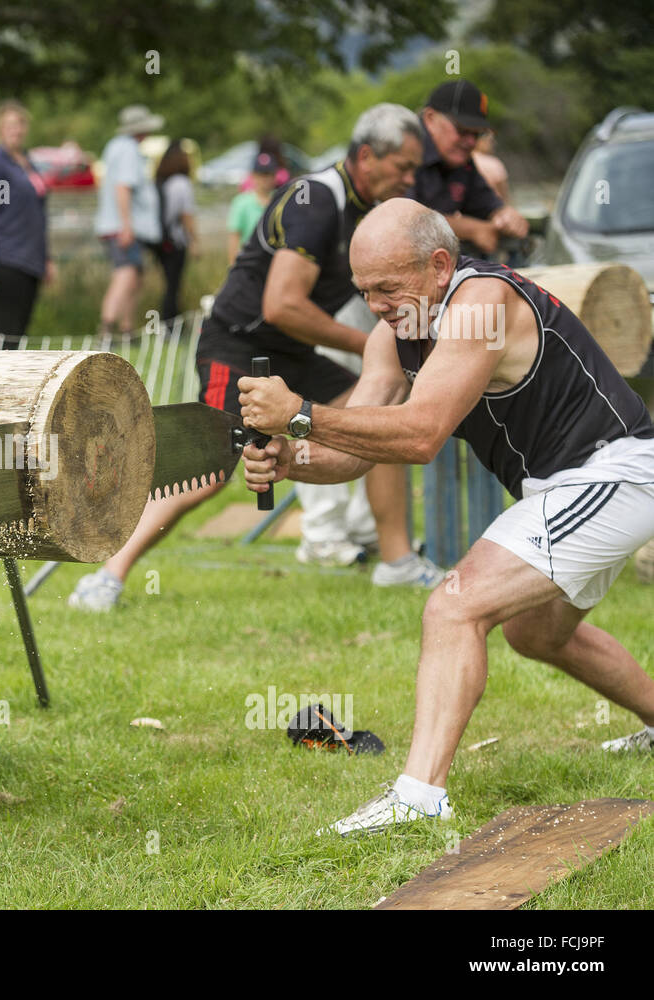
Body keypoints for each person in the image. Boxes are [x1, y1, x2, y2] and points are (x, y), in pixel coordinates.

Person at [241, 198, 654, 833]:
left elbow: (420, 435)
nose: (375, 304)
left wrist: (298, 412)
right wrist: (292, 458)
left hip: (612, 471)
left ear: (439, 265)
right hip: (561, 487)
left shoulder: (482, 305)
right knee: (536, 635)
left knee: (455, 604)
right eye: (363, 290)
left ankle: (419, 796)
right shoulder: (393, 335)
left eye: (387, 287)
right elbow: (358, 450)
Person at [69, 103, 437, 612]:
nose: (410, 178)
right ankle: (106, 576)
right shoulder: (316, 201)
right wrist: (371, 346)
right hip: (237, 345)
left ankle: (396, 562)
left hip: (291, 350)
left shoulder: (368, 207)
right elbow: (282, 304)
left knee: (375, 420)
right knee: (214, 468)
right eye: (404, 166)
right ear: (369, 155)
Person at [410, 80, 528, 260]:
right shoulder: (405, 151)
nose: (471, 142)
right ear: (430, 119)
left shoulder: (461, 161)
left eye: (477, 134)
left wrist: (505, 216)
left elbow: (486, 203)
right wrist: (472, 230)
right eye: (462, 130)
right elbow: (405, 219)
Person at [0, 100, 52, 348]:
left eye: (19, 124)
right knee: (5, 334)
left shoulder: (27, 161)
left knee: (19, 333)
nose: (15, 130)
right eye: (9, 125)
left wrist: (46, 258)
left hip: (31, 260)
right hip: (7, 257)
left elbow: (37, 213)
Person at [95, 105, 164, 337]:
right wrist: (126, 225)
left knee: (134, 275)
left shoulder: (118, 147)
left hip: (119, 225)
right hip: (122, 226)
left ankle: (125, 329)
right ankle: (108, 328)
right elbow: (122, 187)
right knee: (125, 274)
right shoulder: (127, 150)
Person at [152, 140, 198, 323]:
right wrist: (194, 241)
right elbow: (187, 216)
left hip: (159, 240)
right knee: (174, 286)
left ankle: (168, 323)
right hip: (175, 241)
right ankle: (170, 325)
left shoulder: (161, 182)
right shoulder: (182, 183)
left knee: (168, 285)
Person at [226, 151, 278, 265]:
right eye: (261, 174)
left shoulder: (280, 200)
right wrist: (233, 268)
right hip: (248, 262)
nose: (265, 179)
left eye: (269, 174)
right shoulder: (241, 202)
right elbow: (234, 238)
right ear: (253, 175)